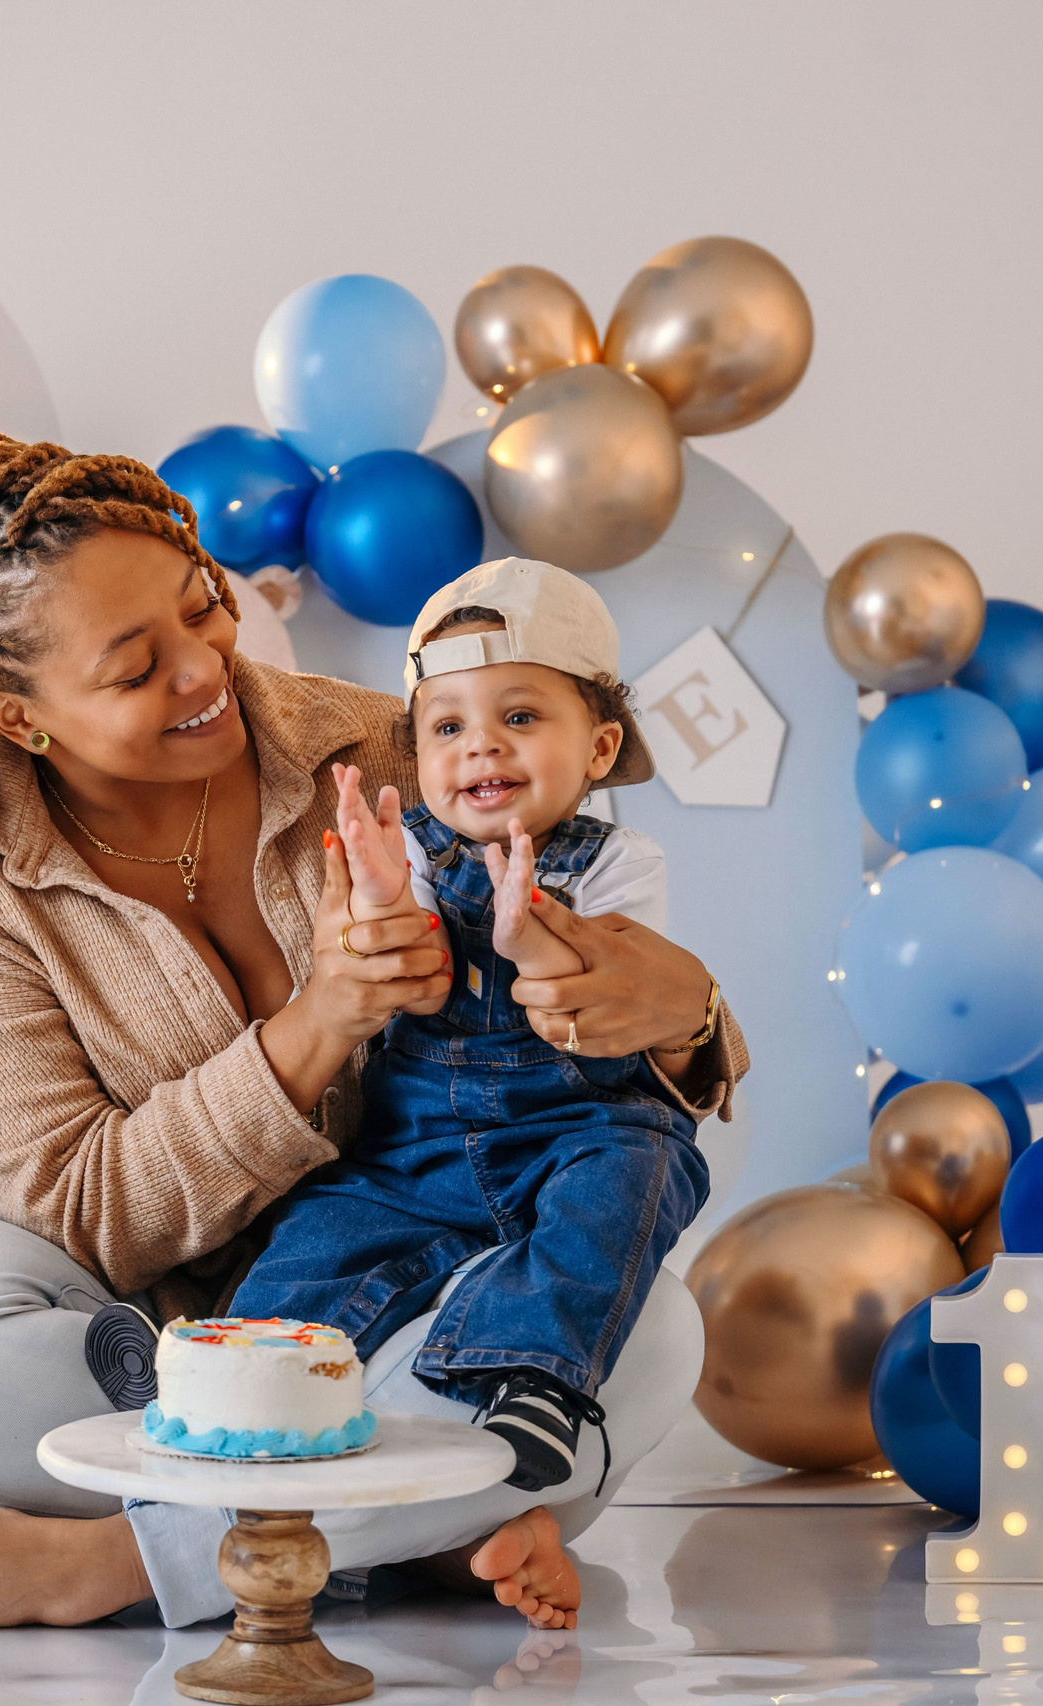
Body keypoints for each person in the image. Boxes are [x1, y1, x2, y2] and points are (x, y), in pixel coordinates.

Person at [0, 429, 747, 1633]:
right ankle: (401, 1531)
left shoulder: (392, 742)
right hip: (134, 1343)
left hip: (409, 1303)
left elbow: (584, 1029)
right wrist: (323, 1018)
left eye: (206, 609)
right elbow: (77, 1212)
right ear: (9, 711)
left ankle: (101, 1567)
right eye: (135, 668)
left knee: (648, 1321)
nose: (204, 671)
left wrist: (686, 1016)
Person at [228, 557, 713, 1495]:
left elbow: (577, 997)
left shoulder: (620, 862)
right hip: (418, 1144)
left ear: (601, 749)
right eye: (449, 727)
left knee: (642, 1177)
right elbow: (410, 981)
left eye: (520, 719)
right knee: (322, 1233)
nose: (482, 749)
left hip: (574, 1130)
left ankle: (531, 1381)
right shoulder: (412, 841)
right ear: (417, 756)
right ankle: (246, 1396)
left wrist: (530, 935)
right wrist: (375, 896)